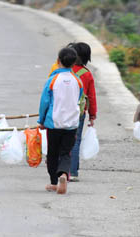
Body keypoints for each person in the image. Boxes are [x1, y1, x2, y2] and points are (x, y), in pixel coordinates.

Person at [38, 47, 83, 194]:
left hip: (54, 122)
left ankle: (53, 182)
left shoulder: (52, 80)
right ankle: (63, 173)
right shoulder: (78, 81)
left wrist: (42, 120)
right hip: (71, 123)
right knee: (65, 153)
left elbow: (45, 101)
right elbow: (78, 98)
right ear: (74, 62)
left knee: (52, 153)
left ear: (58, 61)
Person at [70, 42, 97, 182]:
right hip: (79, 112)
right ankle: (73, 172)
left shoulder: (63, 71)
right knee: (75, 141)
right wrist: (92, 115)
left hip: (61, 111)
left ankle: (60, 169)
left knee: (62, 140)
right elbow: (91, 97)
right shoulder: (86, 74)